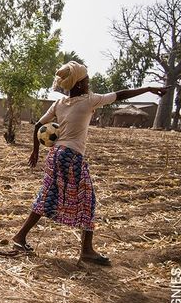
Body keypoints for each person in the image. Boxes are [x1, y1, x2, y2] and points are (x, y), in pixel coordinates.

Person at [9, 61, 168, 265]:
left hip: (56, 154)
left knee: (48, 195)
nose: (89, 82)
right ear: (78, 84)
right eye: (86, 80)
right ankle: (86, 250)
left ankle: (20, 236)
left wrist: (36, 150)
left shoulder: (59, 104)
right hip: (71, 156)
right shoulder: (89, 100)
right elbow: (121, 94)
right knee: (87, 199)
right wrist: (147, 88)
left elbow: (39, 125)